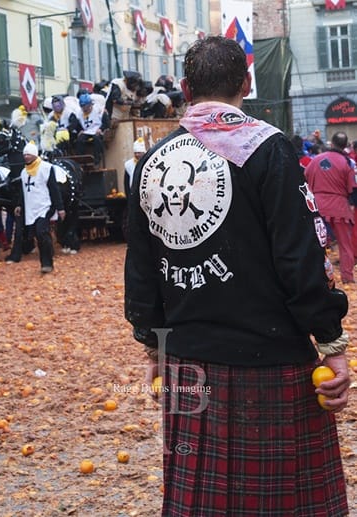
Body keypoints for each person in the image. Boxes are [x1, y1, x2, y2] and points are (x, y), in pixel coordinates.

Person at [125, 36, 350, 516]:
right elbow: (300, 258)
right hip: (270, 359)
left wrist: (152, 343)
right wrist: (333, 344)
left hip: (186, 361)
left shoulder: (151, 162)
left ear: (185, 88)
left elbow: (142, 269)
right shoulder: (270, 150)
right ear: (246, 84)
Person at [304, 132, 357, 283]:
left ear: (332, 144)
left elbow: (305, 177)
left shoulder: (315, 160)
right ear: (345, 145)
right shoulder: (348, 163)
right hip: (340, 208)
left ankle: (317, 277)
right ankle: (347, 277)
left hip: (317, 206)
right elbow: (352, 189)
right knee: (345, 244)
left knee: (315, 243)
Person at [13, 141, 64, 274]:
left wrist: (60, 208)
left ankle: (48, 263)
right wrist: (19, 205)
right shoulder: (24, 172)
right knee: (37, 234)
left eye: (29, 154)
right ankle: (44, 262)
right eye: (24, 154)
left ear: (35, 155)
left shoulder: (46, 168)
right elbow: (23, 190)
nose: (26, 157)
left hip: (45, 206)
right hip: (31, 208)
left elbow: (54, 189)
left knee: (42, 232)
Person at [73, 93, 110, 167]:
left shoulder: (99, 110)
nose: (85, 109)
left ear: (90, 105)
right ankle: (81, 160)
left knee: (97, 139)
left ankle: (97, 159)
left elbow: (106, 122)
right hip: (87, 131)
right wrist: (80, 130)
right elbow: (78, 124)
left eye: (86, 106)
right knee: (80, 140)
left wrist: (101, 129)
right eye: (82, 106)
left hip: (98, 129)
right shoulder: (79, 113)